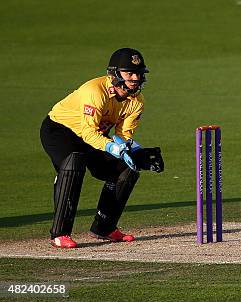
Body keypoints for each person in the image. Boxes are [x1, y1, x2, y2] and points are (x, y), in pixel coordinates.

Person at [40, 48, 164, 248]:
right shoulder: (95, 91)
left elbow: (123, 135)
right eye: (129, 73)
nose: (135, 78)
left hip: (94, 136)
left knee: (127, 169)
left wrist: (134, 151)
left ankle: (104, 227)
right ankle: (60, 233)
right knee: (74, 162)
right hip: (60, 131)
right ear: (114, 74)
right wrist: (111, 147)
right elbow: (88, 134)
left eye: (139, 73)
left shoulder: (136, 102)